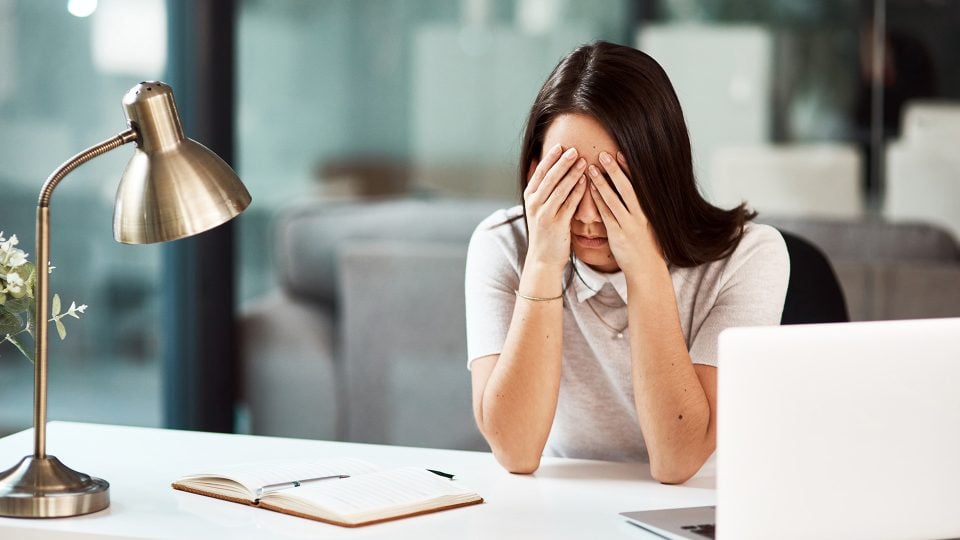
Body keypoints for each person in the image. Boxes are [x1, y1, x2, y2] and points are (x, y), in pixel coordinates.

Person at [464, 41, 789, 484]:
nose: (589, 216)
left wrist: (646, 269)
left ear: (660, 175)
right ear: (534, 174)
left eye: (614, 185)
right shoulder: (501, 245)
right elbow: (515, 451)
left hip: (705, 503)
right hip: (561, 510)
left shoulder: (750, 257)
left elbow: (678, 461)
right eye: (568, 179)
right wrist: (541, 262)